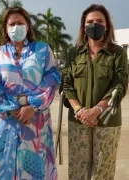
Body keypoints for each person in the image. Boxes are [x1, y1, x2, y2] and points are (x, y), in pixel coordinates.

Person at [0, 7, 61, 179]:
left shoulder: (42, 50)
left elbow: (51, 81)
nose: (16, 27)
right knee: (4, 169)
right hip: (7, 122)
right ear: (5, 28)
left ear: (28, 26)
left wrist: (33, 106)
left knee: (34, 171)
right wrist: (13, 109)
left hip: (35, 121)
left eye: (20, 23)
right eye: (12, 24)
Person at [62, 4, 128, 180]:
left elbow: (120, 85)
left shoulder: (117, 53)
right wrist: (80, 111)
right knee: (78, 170)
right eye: (90, 21)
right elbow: (67, 85)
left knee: (102, 171)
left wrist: (96, 110)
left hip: (107, 121)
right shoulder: (73, 53)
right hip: (78, 121)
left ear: (107, 25)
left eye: (99, 21)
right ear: (84, 27)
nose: (94, 24)